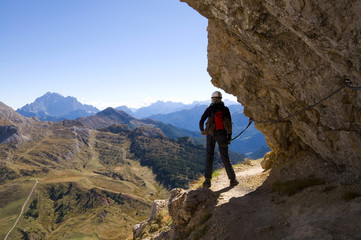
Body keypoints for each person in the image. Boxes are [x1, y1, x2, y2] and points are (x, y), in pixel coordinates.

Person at [199, 91, 239, 188]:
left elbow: (201, 121)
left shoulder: (209, 109)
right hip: (222, 134)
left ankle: (207, 181)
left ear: (212, 99)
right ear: (221, 99)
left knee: (209, 156)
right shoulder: (225, 109)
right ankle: (232, 180)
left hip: (210, 134)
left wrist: (203, 130)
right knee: (225, 157)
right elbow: (229, 125)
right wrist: (229, 137)